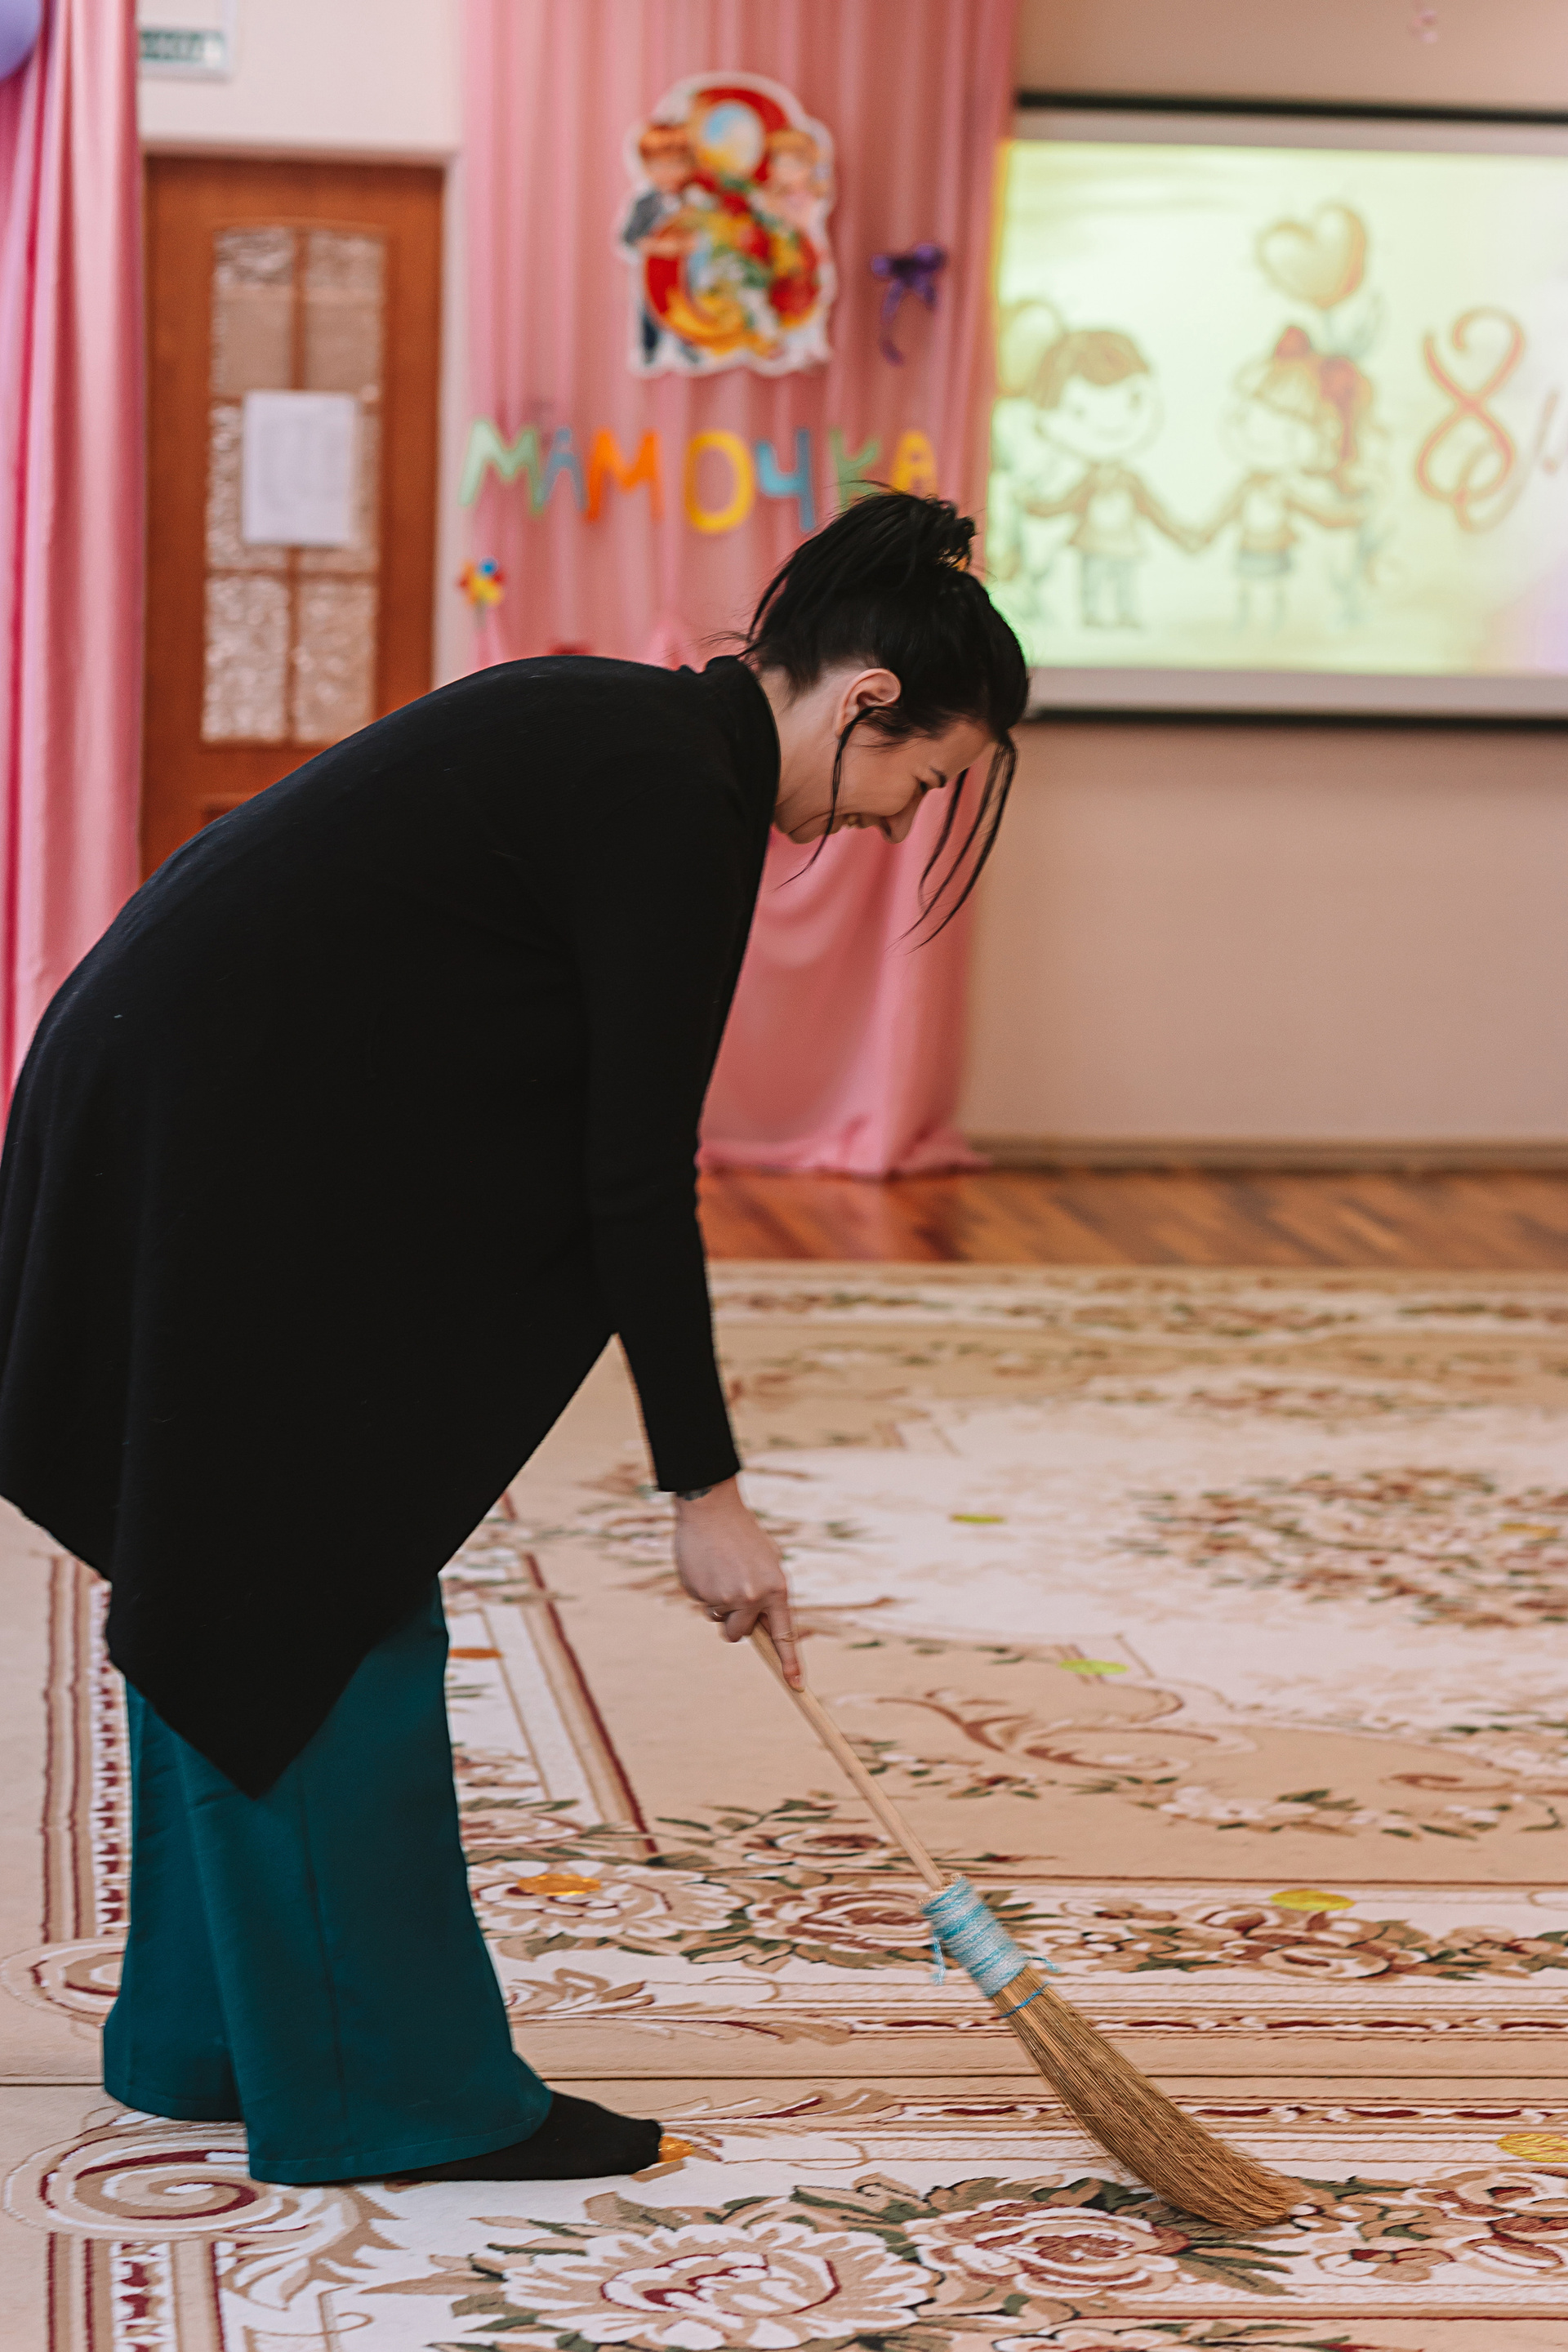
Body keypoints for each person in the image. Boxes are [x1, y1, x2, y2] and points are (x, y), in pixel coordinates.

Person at [0, 492, 1027, 2189]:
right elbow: (633, 1171)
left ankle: (210, 2036)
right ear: (866, 702)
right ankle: (390, 2097)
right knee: (321, 1587)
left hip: (157, 1102)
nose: (883, 824)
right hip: (202, 1136)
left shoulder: (626, 728)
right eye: (919, 782)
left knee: (238, 1558)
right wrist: (704, 1492)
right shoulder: (675, 801)